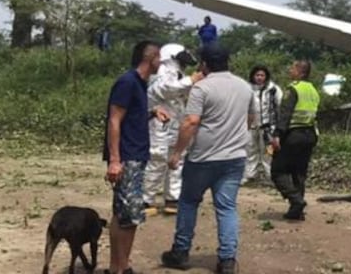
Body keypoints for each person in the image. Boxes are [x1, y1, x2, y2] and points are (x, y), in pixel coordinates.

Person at [160, 43, 255, 274]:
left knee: (189, 203)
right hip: (234, 158)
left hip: (203, 158)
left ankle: (180, 252)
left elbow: (191, 122)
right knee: (226, 207)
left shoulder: (202, 88)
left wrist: (177, 153)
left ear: (204, 64)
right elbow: (251, 118)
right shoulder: (245, 87)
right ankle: (227, 260)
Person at [103, 40, 165, 274]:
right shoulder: (128, 82)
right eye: (160, 59)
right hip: (128, 157)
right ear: (151, 59)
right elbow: (115, 119)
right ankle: (121, 268)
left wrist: (151, 113)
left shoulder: (140, 84)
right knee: (129, 217)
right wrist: (115, 159)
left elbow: (131, 116)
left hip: (135, 156)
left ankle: (118, 266)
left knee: (122, 214)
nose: (162, 64)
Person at [144, 44, 200, 215]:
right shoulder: (162, 72)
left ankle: (172, 199)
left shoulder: (178, 74)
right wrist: (191, 80)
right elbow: (165, 90)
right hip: (160, 124)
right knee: (157, 160)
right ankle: (146, 199)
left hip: (176, 123)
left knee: (177, 160)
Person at [270, 60, 320, 221]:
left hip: (293, 135)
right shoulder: (313, 90)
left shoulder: (293, 89)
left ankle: (296, 200)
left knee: (278, 171)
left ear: (301, 72)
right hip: (310, 135)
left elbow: (285, 114)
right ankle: (296, 211)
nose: (290, 70)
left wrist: (277, 135)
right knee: (299, 173)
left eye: (293, 68)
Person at [243, 65, 283, 185]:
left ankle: (270, 176)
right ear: (253, 76)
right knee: (250, 150)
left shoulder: (273, 89)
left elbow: (280, 105)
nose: (259, 78)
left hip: (268, 127)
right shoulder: (247, 89)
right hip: (251, 126)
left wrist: (278, 126)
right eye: (257, 75)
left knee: (268, 152)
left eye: (262, 75)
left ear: (266, 76)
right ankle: (250, 175)